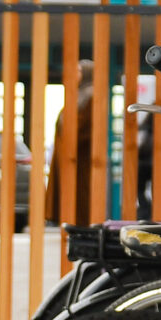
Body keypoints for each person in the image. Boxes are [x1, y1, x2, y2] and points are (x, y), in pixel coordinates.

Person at [45, 58, 99, 223]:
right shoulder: (77, 96)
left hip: (80, 161)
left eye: (78, 71)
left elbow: (83, 128)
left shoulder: (90, 97)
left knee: (79, 201)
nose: (74, 75)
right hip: (68, 159)